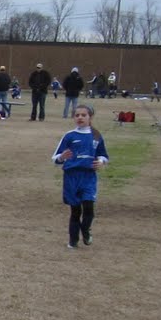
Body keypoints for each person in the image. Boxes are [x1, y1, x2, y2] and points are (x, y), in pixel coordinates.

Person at [53, 104, 108, 249]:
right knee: (75, 210)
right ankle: (73, 240)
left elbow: (103, 154)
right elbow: (55, 157)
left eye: (84, 115)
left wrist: (101, 161)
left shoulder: (96, 135)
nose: (80, 118)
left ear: (90, 117)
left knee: (88, 207)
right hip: (71, 177)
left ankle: (86, 231)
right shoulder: (69, 136)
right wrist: (61, 157)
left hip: (88, 176)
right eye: (77, 115)